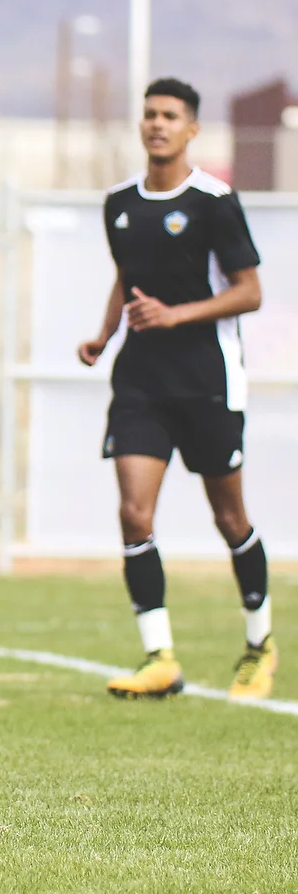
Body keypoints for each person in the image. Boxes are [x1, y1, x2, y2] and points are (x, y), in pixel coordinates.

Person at [77, 77, 276, 701]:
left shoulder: (215, 201)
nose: (157, 124)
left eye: (170, 116)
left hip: (207, 383)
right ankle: (159, 657)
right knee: (134, 513)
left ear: (192, 129)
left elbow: (250, 291)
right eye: (149, 115)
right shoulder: (119, 203)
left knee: (229, 516)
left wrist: (177, 314)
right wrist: (106, 334)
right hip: (140, 382)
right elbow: (126, 276)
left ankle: (259, 643)